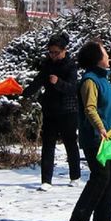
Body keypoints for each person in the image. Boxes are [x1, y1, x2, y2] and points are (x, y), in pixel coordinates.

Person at [69, 41, 111, 221]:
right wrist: (100, 128)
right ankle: (79, 217)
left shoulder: (103, 80)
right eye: (105, 52)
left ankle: (104, 220)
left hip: (109, 138)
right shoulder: (90, 81)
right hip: (95, 138)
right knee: (100, 177)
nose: (108, 56)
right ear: (97, 58)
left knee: (110, 178)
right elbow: (90, 108)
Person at [22, 33, 81, 190]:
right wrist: (24, 93)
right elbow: (38, 81)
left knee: (70, 143)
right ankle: (46, 180)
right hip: (50, 110)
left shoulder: (71, 65)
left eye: (56, 52)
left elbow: (73, 88)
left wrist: (58, 82)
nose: (53, 55)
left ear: (64, 50)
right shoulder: (47, 64)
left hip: (68, 110)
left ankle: (75, 176)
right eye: (50, 52)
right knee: (48, 145)